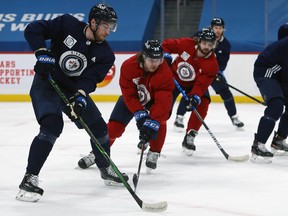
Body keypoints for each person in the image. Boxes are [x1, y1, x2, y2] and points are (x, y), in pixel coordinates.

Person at [16, 3, 129, 203]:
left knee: (100, 129)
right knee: (52, 125)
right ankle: (29, 178)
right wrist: (42, 52)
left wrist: (80, 96)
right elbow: (33, 29)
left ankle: (105, 168)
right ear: (93, 22)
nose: (109, 30)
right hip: (47, 83)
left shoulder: (106, 55)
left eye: (111, 26)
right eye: (105, 25)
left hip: (71, 90)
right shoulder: (67, 24)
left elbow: (89, 79)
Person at [78, 40, 174, 171]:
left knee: (160, 121)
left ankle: (154, 152)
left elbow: (163, 101)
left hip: (154, 102)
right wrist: (140, 114)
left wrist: (152, 122)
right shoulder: (129, 66)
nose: (155, 64)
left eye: (158, 60)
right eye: (151, 59)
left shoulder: (164, 72)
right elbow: (128, 94)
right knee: (114, 127)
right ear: (143, 56)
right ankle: (96, 153)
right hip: (132, 99)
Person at [173, 17, 244, 132]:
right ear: (211, 28)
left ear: (223, 29)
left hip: (213, 73)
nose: (217, 30)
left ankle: (234, 117)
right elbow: (190, 49)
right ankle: (179, 118)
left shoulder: (226, 45)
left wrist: (219, 72)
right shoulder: (200, 35)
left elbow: (223, 63)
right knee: (190, 92)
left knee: (226, 92)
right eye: (216, 27)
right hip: (197, 72)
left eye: (220, 28)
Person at [162, 27, 219, 156]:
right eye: (204, 43)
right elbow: (165, 45)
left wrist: (194, 97)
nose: (206, 47)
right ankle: (152, 133)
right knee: (163, 107)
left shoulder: (212, 64)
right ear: (199, 41)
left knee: (203, 102)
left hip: (193, 85)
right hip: (174, 78)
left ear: (214, 45)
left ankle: (190, 135)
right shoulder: (186, 44)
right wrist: (165, 56)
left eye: (210, 44)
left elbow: (201, 84)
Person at [251, 24, 288, 162]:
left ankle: (278, 141)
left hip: (280, 74)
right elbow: (285, 72)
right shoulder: (285, 46)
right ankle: (258, 146)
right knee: (276, 106)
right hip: (266, 71)